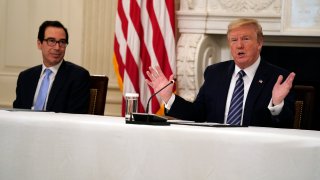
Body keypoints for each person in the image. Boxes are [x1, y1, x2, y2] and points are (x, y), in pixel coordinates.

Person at [146, 18, 296, 128]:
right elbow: (197, 114)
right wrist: (168, 97)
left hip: (257, 152)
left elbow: (287, 125)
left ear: (259, 43)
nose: (239, 45)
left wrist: (277, 104)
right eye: (234, 40)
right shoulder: (215, 73)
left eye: (245, 39)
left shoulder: (278, 78)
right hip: (217, 147)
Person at [13, 20, 90, 114]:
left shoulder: (78, 76)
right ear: (39, 44)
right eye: (51, 41)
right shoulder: (25, 77)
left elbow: (75, 118)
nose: (57, 47)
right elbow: (17, 113)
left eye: (62, 42)